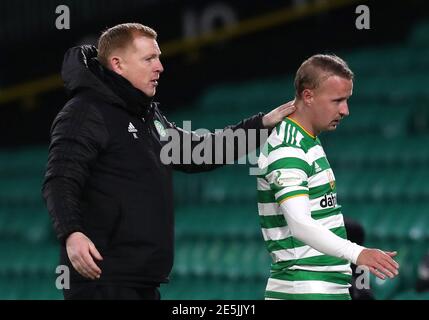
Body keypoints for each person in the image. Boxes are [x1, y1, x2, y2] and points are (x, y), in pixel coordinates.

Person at [42, 23, 295, 300]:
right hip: (102, 281)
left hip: (142, 282)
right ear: (118, 64)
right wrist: (72, 233)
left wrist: (261, 125)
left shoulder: (147, 114)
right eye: (149, 58)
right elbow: (61, 178)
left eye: (158, 57)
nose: (160, 66)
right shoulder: (85, 111)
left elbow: (201, 151)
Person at [256, 54, 399, 300]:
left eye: (347, 100)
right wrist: (357, 253)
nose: (345, 110)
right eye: (337, 101)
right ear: (308, 96)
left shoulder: (308, 140)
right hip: (306, 288)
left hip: (321, 287)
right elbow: (300, 224)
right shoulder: (289, 148)